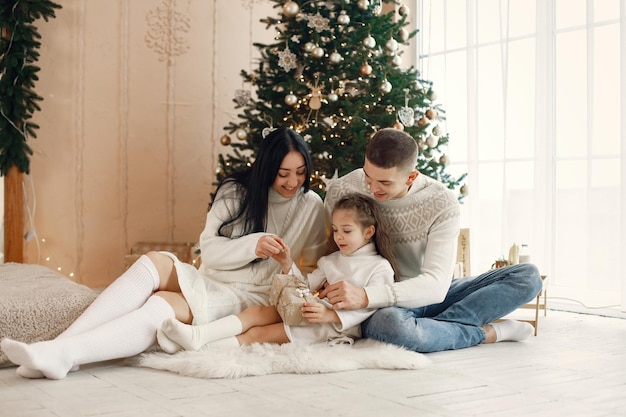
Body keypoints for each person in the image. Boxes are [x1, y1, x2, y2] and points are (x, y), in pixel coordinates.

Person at [0, 127, 327, 379]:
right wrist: (251, 245)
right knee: (153, 261)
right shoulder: (235, 191)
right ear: (266, 167)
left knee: (161, 306)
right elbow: (209, 253)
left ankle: (64, 354)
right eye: (283, 173)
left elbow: (310, 272)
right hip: (211, 278)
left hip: (251, 297)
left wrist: (285, 266)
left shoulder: (311, 206)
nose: (292, 182)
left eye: (300, 173)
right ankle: (55, 350)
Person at [320, 127, 544, 353]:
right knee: (392, 326)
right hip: (384, 306)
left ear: (411, 177)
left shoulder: (441, 202)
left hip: (427, 291)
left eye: (384, 183)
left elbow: (436, 286)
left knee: (528, 277)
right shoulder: (344, 189)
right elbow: (329, 248)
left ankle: (434, 330)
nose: (372, 187)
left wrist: (365, 296)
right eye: (368, 177)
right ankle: (485, 333)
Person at [156, 193, 397, 349]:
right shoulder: (331, 260)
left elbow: (372, 305)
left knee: (259, 334)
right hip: (305, 310)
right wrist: (286, 262)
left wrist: (330, 316)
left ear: (368, 232)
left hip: (326, 326)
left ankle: (200, 345)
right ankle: (199, 335)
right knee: (256, 312)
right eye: (335, 230)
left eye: (347, 230)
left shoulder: (378, 267)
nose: (339, 237)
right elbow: (303, 287)